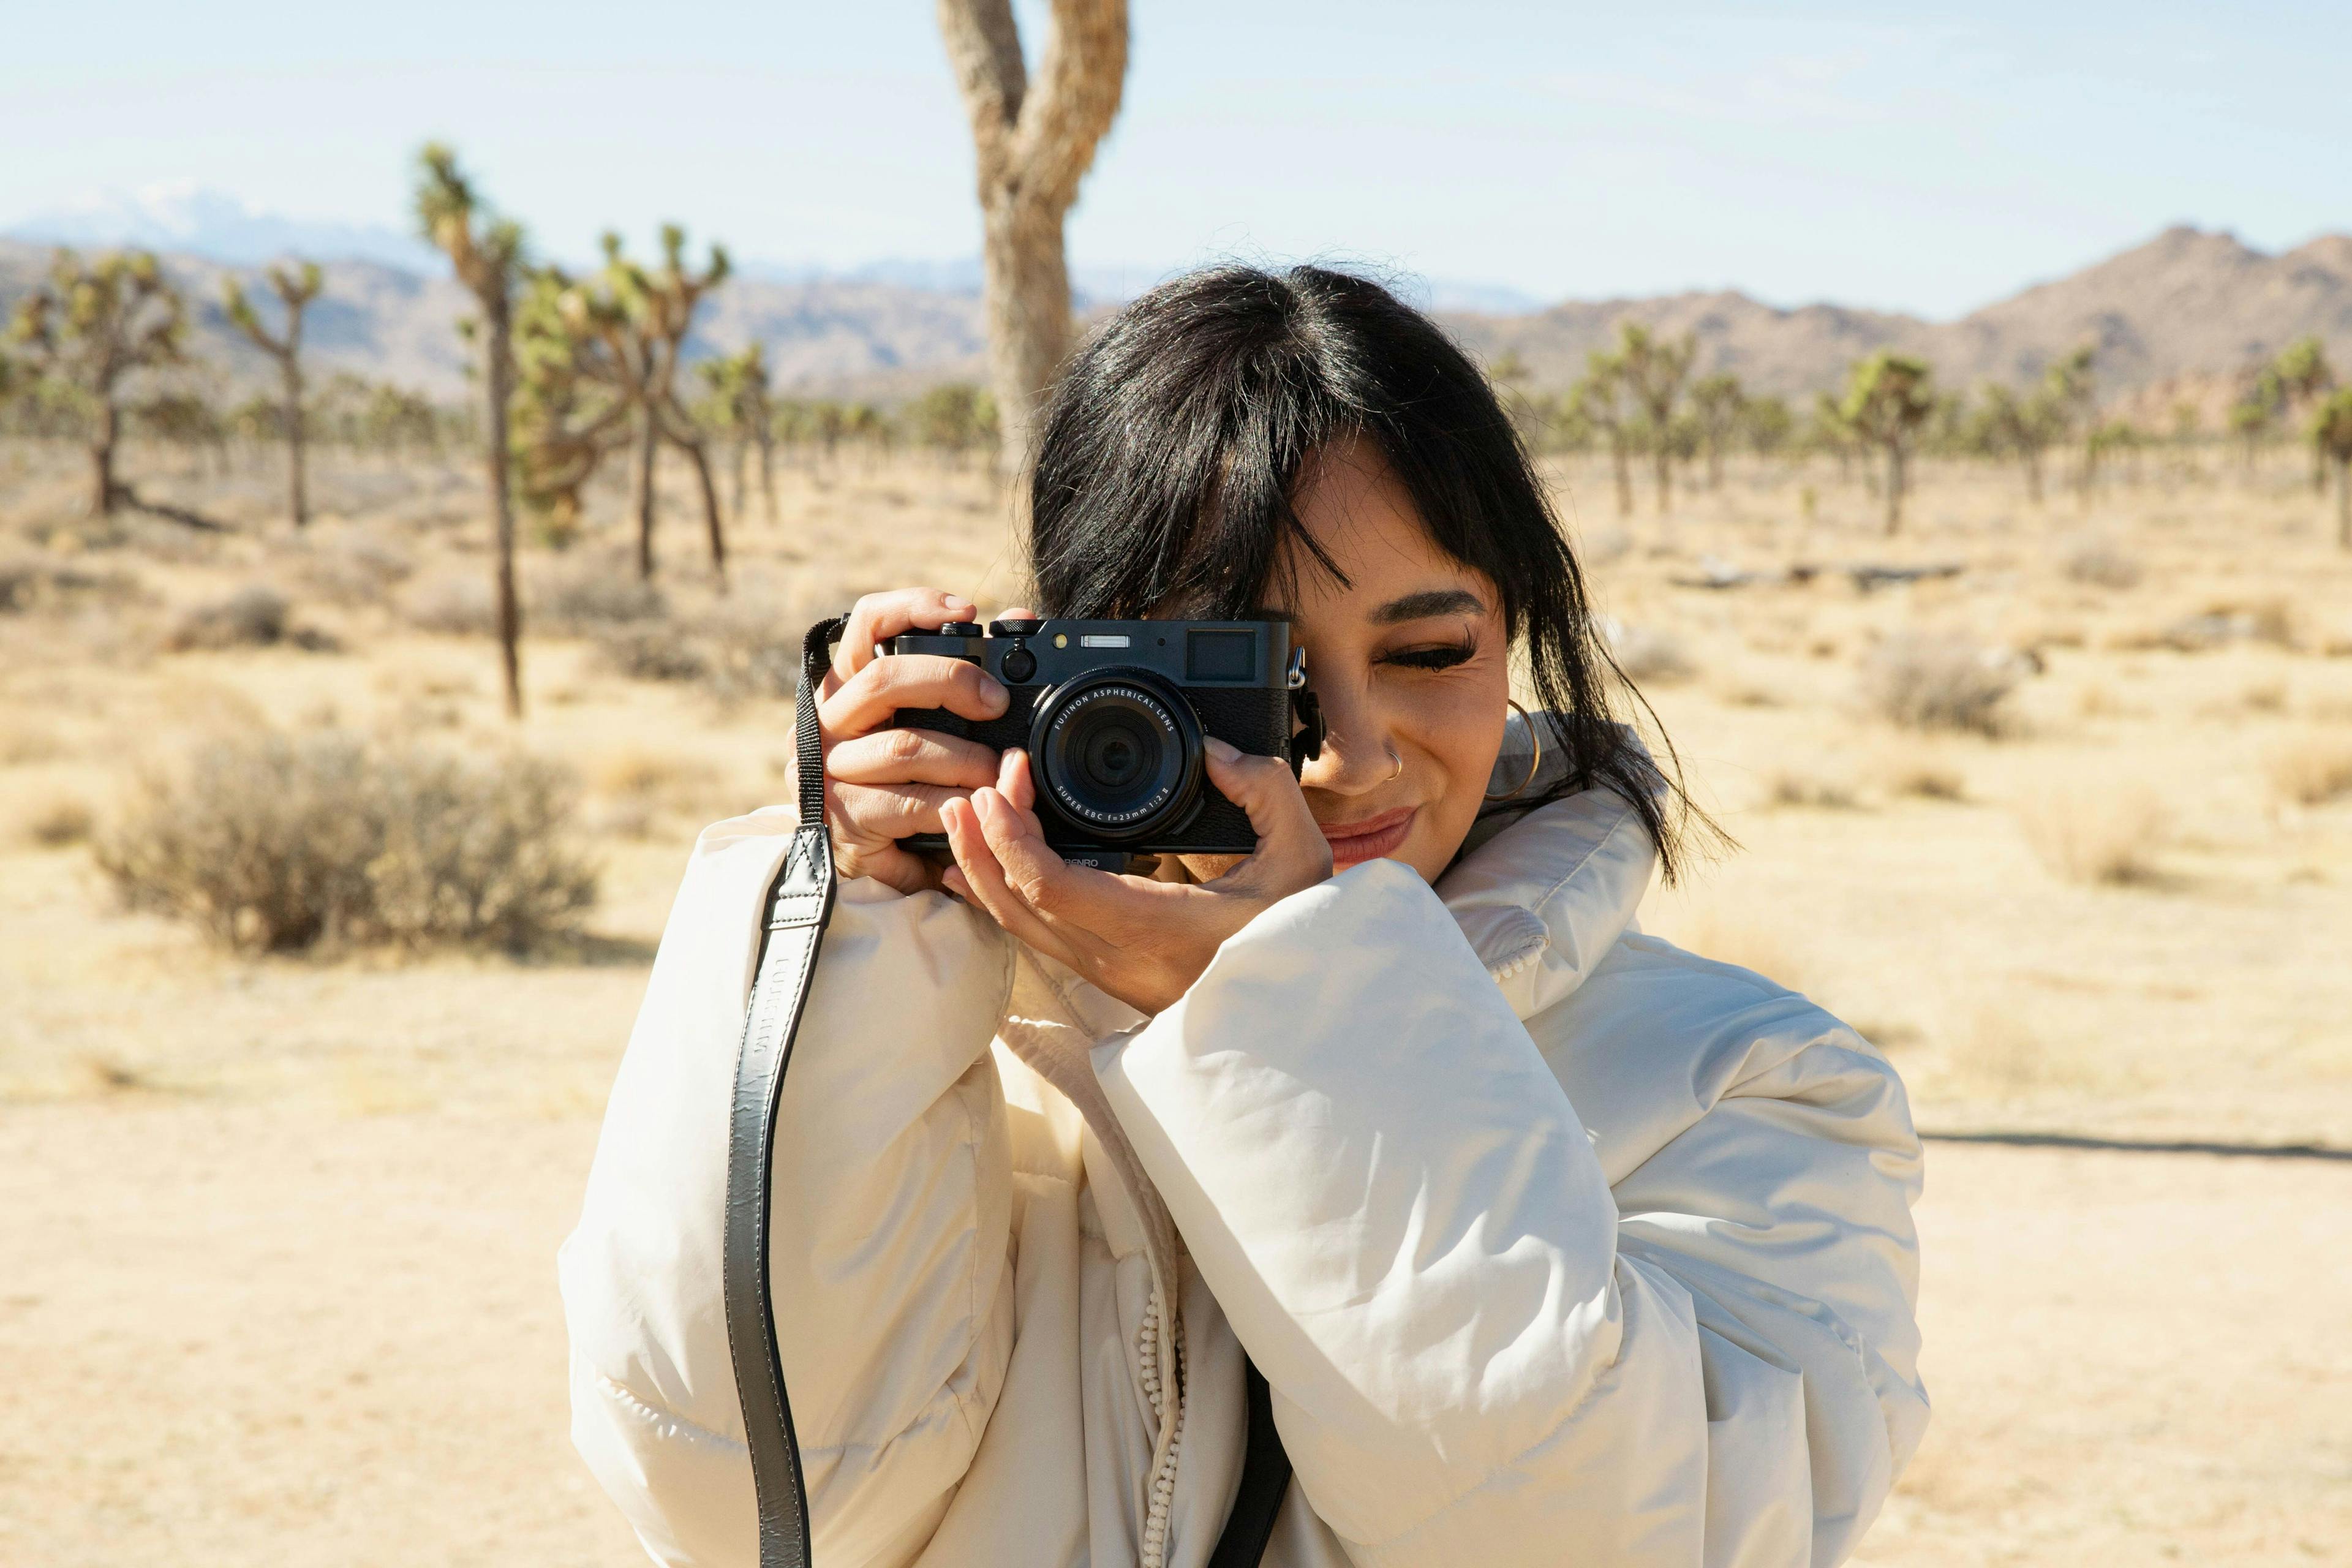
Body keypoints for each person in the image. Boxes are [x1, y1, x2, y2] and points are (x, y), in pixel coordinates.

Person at [560, 266, 1928, 1568]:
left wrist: (1289, 1018)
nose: (1347, 750)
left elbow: (1613, 1533)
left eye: (1429, 650)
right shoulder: (948, 1043)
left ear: (1515, 634)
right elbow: (749, 1499)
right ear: (1081, 663)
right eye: (1245, 671)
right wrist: (856, 929)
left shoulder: (1756, 1086)